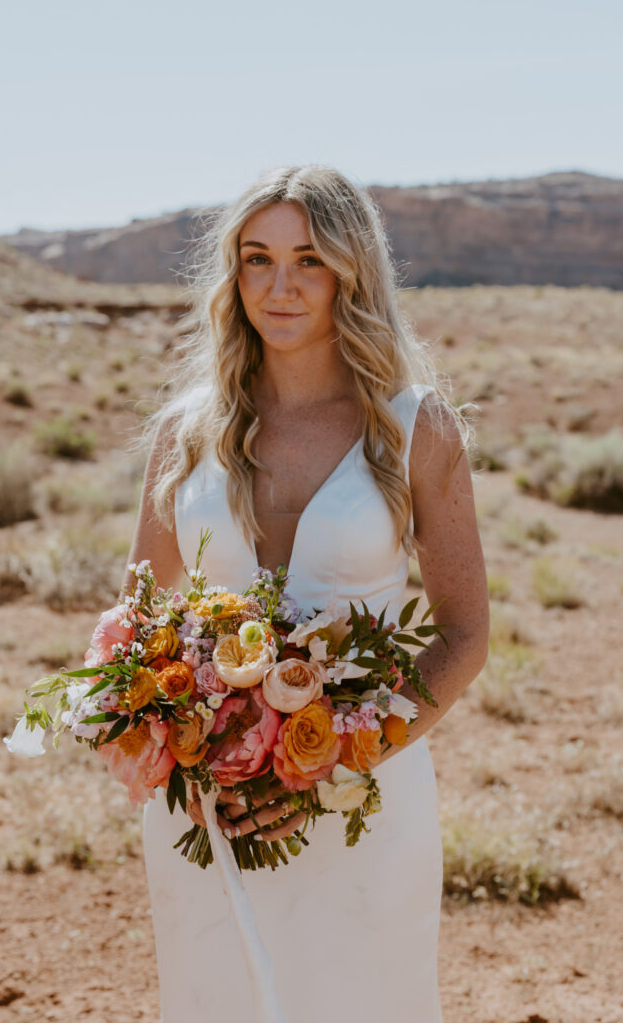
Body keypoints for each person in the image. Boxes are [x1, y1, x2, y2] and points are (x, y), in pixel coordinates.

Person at [123, 164, 489, 1022]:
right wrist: (183, 731)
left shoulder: (413, 428)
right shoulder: (185, 432)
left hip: (367, 795)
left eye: (309, 261)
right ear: (233, 274)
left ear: (350, 272)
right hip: (213, 808)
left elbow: (464, 634)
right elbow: (140, 620)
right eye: (257, 259)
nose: (279, 286)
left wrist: (329, 763)